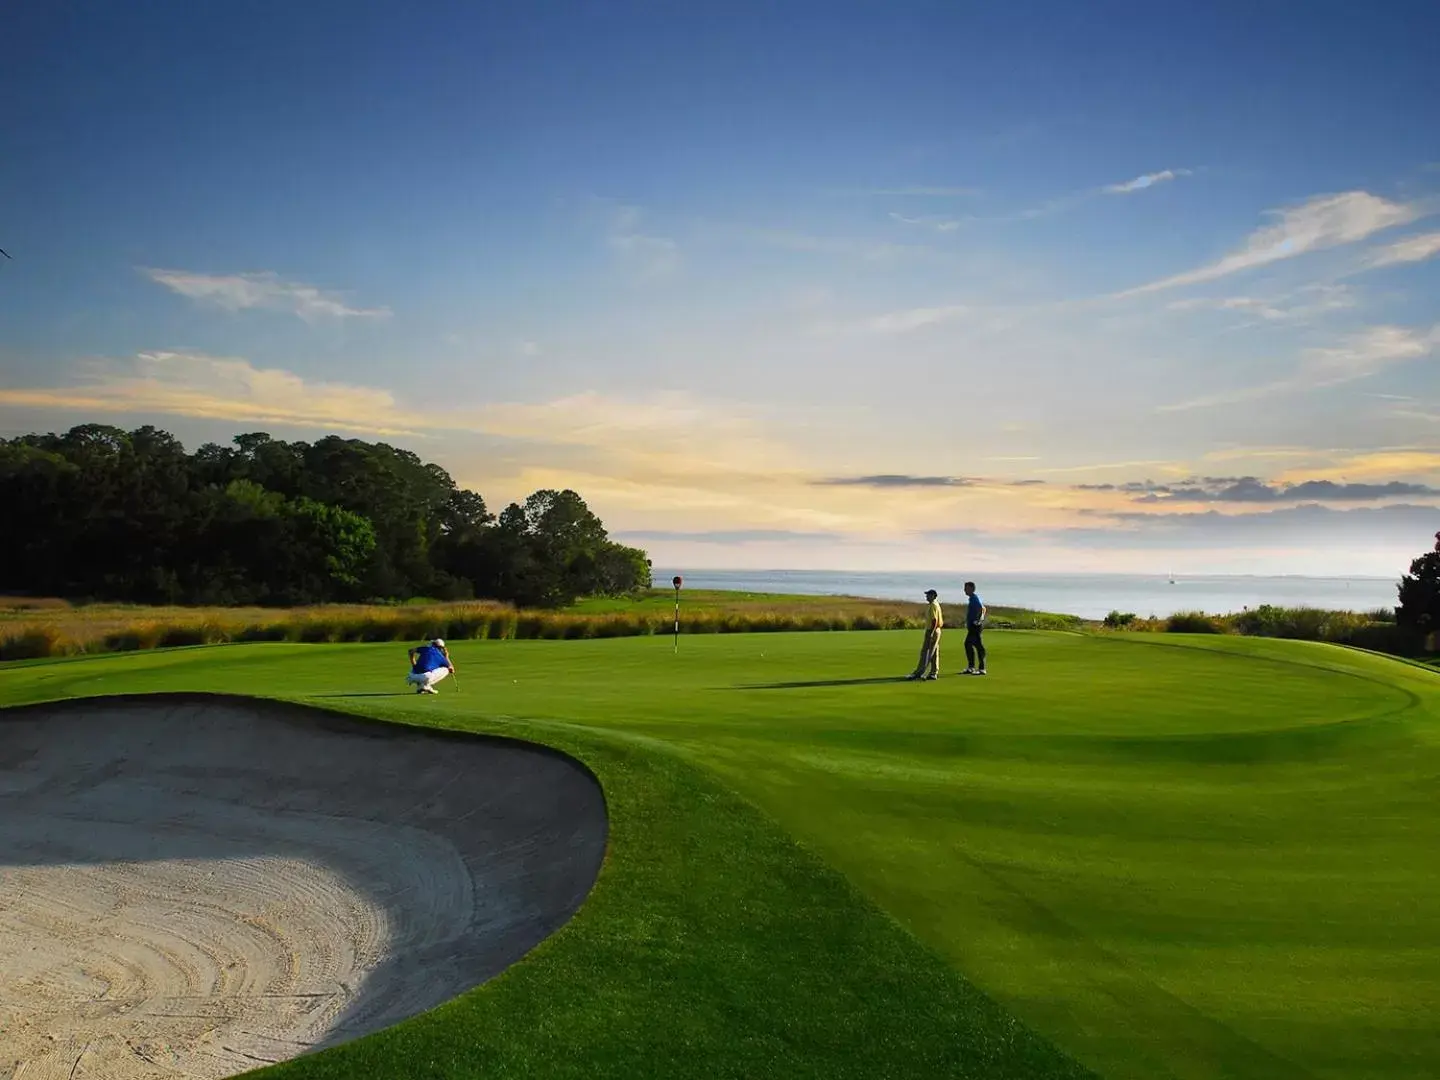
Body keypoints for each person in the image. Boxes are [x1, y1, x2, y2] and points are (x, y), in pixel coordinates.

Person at [906, 589, 943, 681]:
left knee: (926, 653)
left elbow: (934, 621)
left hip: (932, 630)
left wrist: (931, 632)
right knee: (934, 653)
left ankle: (918, 673)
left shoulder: (933, 605)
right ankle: (933, 673)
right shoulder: (935, 604)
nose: (926, 597)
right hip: (936, 631)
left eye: (929, 595)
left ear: (934, 596)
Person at [961, 581, 987, 675]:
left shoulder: (974, 599)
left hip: (975, 626)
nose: (964, 590)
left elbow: (981, 609)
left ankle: (979, 668)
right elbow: (984, 608)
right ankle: (974, 667)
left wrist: (978, 620)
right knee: (975, 645)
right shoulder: (973, 598)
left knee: (970, 644)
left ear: (971, 589)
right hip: (974, 626)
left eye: (966, 588)